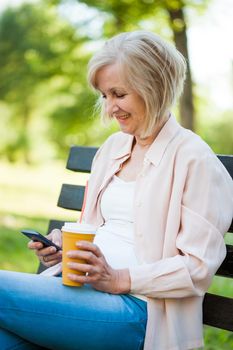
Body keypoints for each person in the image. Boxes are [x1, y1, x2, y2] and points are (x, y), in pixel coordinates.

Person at [0, 31, 232, 350]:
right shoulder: (113, 148)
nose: (110, 108)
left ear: (154, 87)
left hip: (140, 311)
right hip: (80, 294)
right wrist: (65, 248)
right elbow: (99, 229)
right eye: (105, 96)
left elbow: (197, 267)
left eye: (118, 94)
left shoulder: (195, 160)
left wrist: (118, 278)